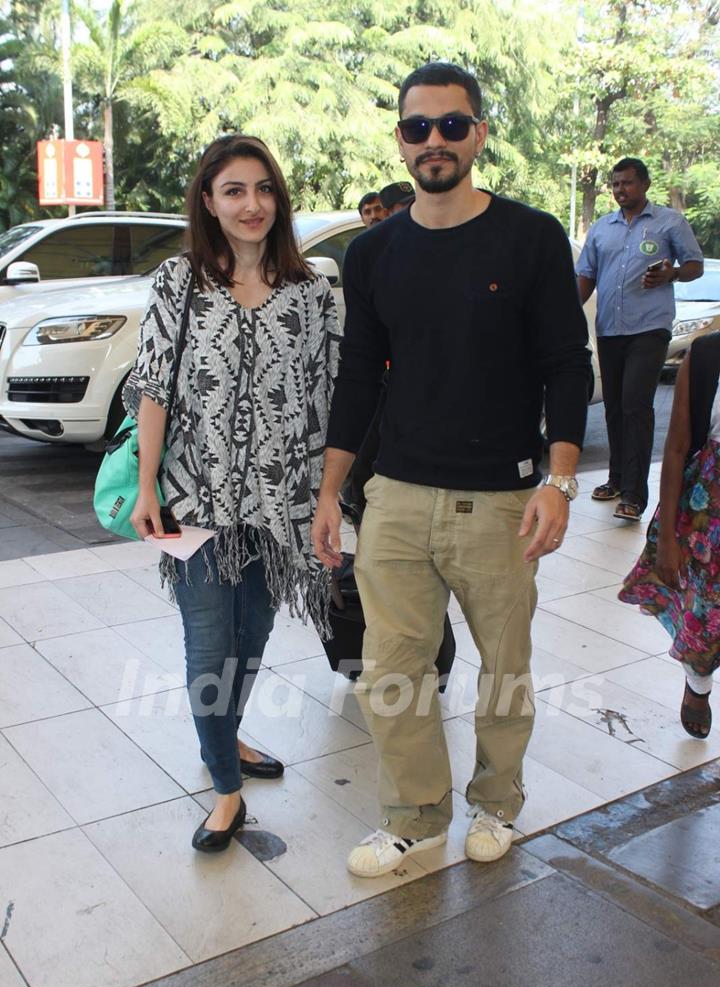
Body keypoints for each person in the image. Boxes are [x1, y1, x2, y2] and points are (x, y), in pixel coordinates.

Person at [311, 62, 591, 878]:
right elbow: (360, 373)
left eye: (451, 125)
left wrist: (560, 481)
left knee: (505, 668)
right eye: (417, 127)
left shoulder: (531, 236)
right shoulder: (373, 253)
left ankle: (496, 804)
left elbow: (565, 364)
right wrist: (332, 491)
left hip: (503, 499)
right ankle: (416, 816)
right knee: (392, 672)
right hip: (394, 493)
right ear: (400, 138)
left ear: (479, 134)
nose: (434, 141)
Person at [124, 134, 339, 852]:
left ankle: (229, 736)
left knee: (251, 639)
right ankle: (226, 790)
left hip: (279, 505)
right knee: (209, 645)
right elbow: (153, 386)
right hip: (193, 500)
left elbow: (327, 396)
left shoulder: (312, 291)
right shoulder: (177, 281)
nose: (252, 205)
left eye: (264, 190)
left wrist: (330, 497)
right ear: (209, 204)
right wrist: (149, 483)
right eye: (234, 192)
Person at [577, 157, 703, 521]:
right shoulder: (602, 229)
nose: (620, 190)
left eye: (627, 183)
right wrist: (566, 314)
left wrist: (672, 274)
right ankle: (615, 479)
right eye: (615, 184)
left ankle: (634, 494)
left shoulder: (668, 222)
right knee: (615, 406)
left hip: (650, 327)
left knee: (636, 404)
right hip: (610, 328)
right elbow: (585, 276)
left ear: (645, 184)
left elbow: (694, 265)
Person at [619, 332, 720, 739]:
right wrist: (666, 541)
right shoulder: (708, 354)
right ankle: (698, 684)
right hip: (708, 515)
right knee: (706, 613)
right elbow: (677, 447)